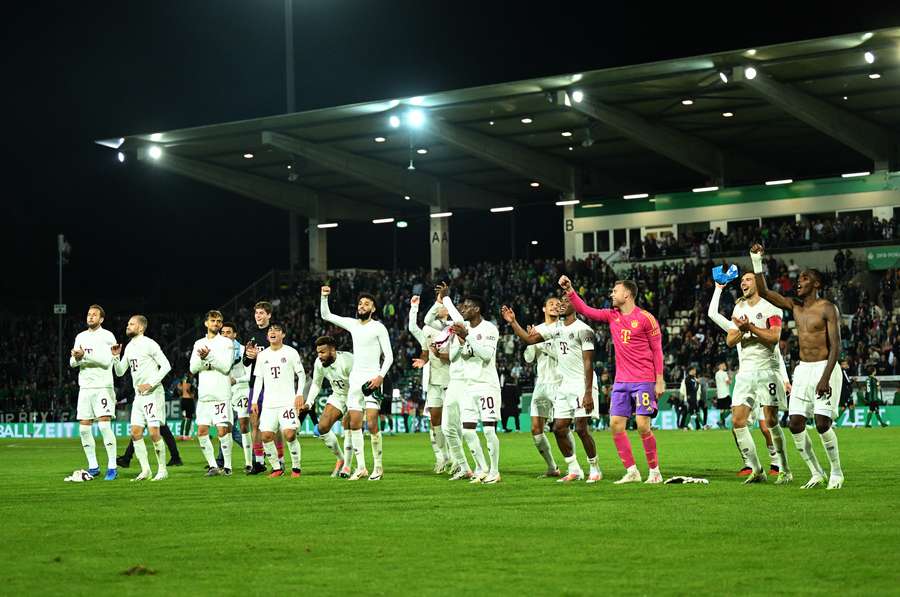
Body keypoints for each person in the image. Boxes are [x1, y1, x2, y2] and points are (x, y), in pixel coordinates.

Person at [752, 244, 844, 489]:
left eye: (805, 278)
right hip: (803, 369)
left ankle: (836, 471)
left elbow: (836, 346)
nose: (799, 281)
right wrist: (756, 260)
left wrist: (825, 378)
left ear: (816, 284)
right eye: (799, 278)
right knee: (794, 423)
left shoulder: (827, 308)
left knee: (823, 423)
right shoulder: (795, 306)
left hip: (826, 367)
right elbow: (763, 290)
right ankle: (816, 472)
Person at [558, 276, 664, 484]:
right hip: (621, 381)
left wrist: (659, 379)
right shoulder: (611, 315)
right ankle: (632, 471)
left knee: (643, 425)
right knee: (616, 426)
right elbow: (587, 310)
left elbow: (657, 350)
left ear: (627, 294)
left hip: (643, 379)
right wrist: (570, 290)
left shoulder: (646, 318)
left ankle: (655, 471)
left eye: (615, 291)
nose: (611, 294)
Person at [502, 293, 603, 483]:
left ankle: (594, 468)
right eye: (561, 302)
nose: (562, 305)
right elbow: (530, 340)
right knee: (558, 427)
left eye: (566, 302)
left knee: (581, 429)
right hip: (564, 385)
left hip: (582, 384)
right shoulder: (556, 330)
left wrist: (588, 392)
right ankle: (574, 469)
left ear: (577, 306)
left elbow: (589, 363)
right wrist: (513, 322)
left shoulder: (585, 330)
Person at [709, 274, 792, 484]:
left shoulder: (771, 308)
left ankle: (782, 467)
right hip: (745, 373)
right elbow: (730, 339)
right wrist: (741, 331)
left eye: (747, 279)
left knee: (770, 423)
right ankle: (756, 469)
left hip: (767, 371)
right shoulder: (739, 309)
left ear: (758, 282)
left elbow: (774, 339)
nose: (743, 283)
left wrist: (750, 329)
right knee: (737, 421)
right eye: (742, 281)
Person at [321, 285, 393, 481]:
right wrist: (324, 296)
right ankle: (361, 468)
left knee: (371, 423)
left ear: (373, 309)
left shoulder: (378, 327)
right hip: (355, 380)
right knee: (354, 424)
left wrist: (380, 377)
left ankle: (378, 467)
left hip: (373, 379)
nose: (362, 306)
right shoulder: (353, 324)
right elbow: (326, 315)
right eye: (360, 303)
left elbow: (389, 357)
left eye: (366, 304)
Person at [444, 292, 502, 484]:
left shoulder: (490, 329)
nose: (463, 309)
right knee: (468, 431)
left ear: (476, 309)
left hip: (486, 386)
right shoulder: (465, 329)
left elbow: (486, 355)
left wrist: (468, 336)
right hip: (468, 387)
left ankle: (494, 471)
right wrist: (461, 342)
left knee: (488, 430)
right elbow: (465, 355)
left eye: (467, 306)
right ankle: (481, 468)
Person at [111, 315, 171, 481]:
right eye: (128, 323)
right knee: (135, 433)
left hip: (152, 394)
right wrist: (116, 357)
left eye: (131, 324)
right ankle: (145, 471)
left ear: (141, 328)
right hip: (139, 396)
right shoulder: (129, 347)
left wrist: (150, 383)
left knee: (153, 433)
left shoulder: (150, 344)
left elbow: (166, 366)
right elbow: (120, 371)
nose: (128, 326)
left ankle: (162, 470)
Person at [250, 323, 305, 478]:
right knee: (266, 435)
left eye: (277, 330)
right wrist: (254, 401)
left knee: (289, 434)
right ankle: (276, 468)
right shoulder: (262, 355)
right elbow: (259, 379)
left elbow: (301, 375)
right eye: (270, 331)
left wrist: (299, 394)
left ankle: (296, 468)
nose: (272, 332)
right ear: (267, 336)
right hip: (268, 404)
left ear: (283, 335)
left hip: (287, 401)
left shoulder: (291, 352)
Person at [71, 304, 119, 480]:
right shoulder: (80, 336)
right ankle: (93, 466)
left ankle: (112, 467)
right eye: (89, 314)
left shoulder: (108, 336)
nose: (90, 317)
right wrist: (76, 358)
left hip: (102, 387)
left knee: (104, 426)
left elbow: (107, 362)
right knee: (84, 430)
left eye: (94, 315)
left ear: (101, 319)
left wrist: (84, 356)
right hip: (85, 387)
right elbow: (72, 363)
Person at [408, 295, 452, 473]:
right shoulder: (427, 329)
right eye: (440, 304)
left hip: (452, 381)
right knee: (435, 421)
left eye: (444, 305)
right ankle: (441, 458)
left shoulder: (453, 328)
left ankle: (456, 458)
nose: (442, 307)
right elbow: (414, 331)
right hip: (434, 382)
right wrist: (414, 308)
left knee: (451, 423)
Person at [189, 310, 235, 476]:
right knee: (201, 431)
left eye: (218, 321)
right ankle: (213, 466)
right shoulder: (198, 343)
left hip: (221, 393)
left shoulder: (226, 343)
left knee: (222, 431)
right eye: (213, 320)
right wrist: (206, 360)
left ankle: (228, 466)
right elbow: (193, 368)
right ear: (206, 323)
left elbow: (225, 367)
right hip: (204, 395)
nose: (216, 323)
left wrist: (208, 358)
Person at [520, 297, 562, 476]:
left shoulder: (564, 329)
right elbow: (528, 359)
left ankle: (575, 466)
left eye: (558, 304)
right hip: (543, 383)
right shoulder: (538, 329)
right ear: (544, 308)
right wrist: (530, 342)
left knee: (563, 428)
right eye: (552, 303)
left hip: (561, 382)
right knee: (536, 429)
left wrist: (539, 342)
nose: (555, 306)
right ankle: (552, 467)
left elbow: (562, 355)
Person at [301, 336, 350, 477]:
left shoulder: (347, 361)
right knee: (322, 427)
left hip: (355, 395)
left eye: (323, 352)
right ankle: (341, 459)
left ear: (332, 350)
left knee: (350, 426)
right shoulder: (319, 363)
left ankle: (352, 466)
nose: (319, 356)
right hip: (339, 396)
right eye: (318, 352)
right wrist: (308, 403)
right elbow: (316, 383)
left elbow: (358, 383)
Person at [241, 301, 275, 474]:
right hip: (255, 384)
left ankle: (279, 461)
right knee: (255, 424)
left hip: (273, 386)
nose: (258, 316)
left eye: (261, 313)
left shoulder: (274, 332)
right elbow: (245, 362)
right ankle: (259, 462)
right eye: (256, 313)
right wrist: (249, 356)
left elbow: (279, 355)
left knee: (274, 426)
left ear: (268, 315)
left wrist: (260, 355)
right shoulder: (251, 334)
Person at [221, 322, 253, 473]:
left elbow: (249, 375)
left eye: (228, 332)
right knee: (225, 426)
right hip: (225, 391)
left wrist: (236, 380)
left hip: (241, 390)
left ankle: (249, 463)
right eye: (223, 332)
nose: (225, 335)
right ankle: (227, 466)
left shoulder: (242, 350)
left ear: (234, 335)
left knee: (244, 426)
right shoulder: (217, 351)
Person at [837, 359, 856, 427]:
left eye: (846, 364)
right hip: (845, 392)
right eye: (844, 364)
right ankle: (833, 422)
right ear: (841, 365)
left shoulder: (842, 371)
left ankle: (853, 424)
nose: (846, 365)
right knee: (843, 407)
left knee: (851, 406)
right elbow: (848, 382)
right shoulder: (843, 371)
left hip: (844, 392)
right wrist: (853, 380)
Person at [177, 373, 195, 440]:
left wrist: (182, 392)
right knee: (189, 418)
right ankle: (186, 436)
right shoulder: (190, 379)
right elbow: (188, 388)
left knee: (184, 418)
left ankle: (181, 435)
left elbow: (178, 387)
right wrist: (191, 394)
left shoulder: (183, 379)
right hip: (189, 400)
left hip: (183, 400)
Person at [714, 363, 732, 429]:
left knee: (722, 410)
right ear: (720, 366)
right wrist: (731, 379)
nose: (725, 366)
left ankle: (723, 425)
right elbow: (728, 382)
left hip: (719, 394)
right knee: (731, 409)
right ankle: (720, 421)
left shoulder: (716, 374)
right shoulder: (724, 373)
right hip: (725, 393)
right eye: (723, 365)